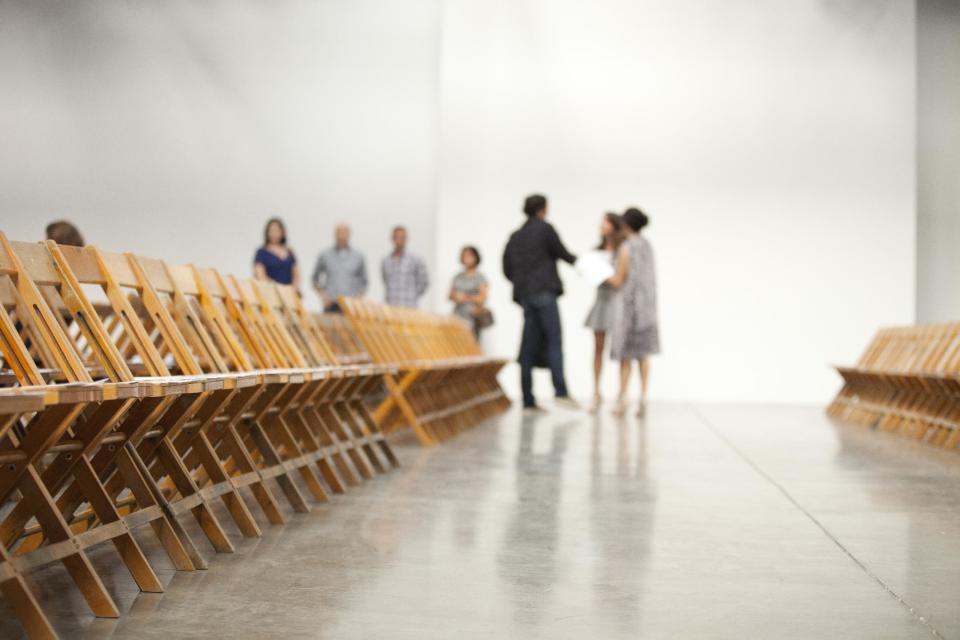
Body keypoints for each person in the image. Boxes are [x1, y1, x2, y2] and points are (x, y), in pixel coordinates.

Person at [502, 194, 579, 413]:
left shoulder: (516, 236)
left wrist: (522, 283)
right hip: (544, 292)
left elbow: (507, 268)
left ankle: (527, 399)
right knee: (554, 341)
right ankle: (561, 392)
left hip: (525, 295)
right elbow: (563, 253)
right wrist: (585, 264)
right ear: (542, 210)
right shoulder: (545, 229)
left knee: (527, 348)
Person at [606, 207, 660, 418]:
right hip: (647, 309)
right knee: (644, 356)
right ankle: (644, 398)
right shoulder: (648, 246)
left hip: (627, 309)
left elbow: (619, 279)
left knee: (625, 357)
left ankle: (623, 398)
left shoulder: (626, 247)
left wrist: (601, 273)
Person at [584, 212, 623, 413]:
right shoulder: (596, 252)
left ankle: (620, 394)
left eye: (606, 222)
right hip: (601, 301)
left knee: (620, 351)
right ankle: (596, 391)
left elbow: (621, 279)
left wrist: (608, 275)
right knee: (598, 348)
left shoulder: (623, 251)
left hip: (617, 302)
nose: (602, 225)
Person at [312, 223, 368, 313]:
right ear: (334, 235)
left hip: (351, 305)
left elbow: (364, 282)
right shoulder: (324, 255)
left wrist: (358, 298)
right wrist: (323, 296)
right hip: (331, 304)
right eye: (339, 233)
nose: (341, 236)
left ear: (349, 235)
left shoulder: (358, 256)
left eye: (344, 233)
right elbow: (315, 279)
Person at [382, 226, 429, 308]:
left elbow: (424, 282)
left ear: (406, 239)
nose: (399, 240)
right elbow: (385, 281)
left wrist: (412, 295)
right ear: (392, 238)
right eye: (397, 237)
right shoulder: (386, 261)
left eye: (402, 237)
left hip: (409, 307)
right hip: (391, 307)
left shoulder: (416, 259)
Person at [449, 245, 489, 339]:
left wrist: (466, 297)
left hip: (472, 316)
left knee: (471, 343)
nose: (466, 258)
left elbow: (483, 298)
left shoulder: (479, 277)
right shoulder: (458, 277)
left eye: (469, 256)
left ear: (475, 258)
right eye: (464, 256)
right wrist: (456, 297)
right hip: (458, 315)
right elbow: (450, 295)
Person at [254, 218, 300, 288]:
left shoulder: (289, 252)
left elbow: (296, 274)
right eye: (272, 231)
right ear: (267, 232)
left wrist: (294, 289)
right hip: (270, 291)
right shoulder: (262, 252)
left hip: (289, 292)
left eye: (277, 230)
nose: (274, 234)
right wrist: (275, 289)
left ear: (282, 232)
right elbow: (260, 274)